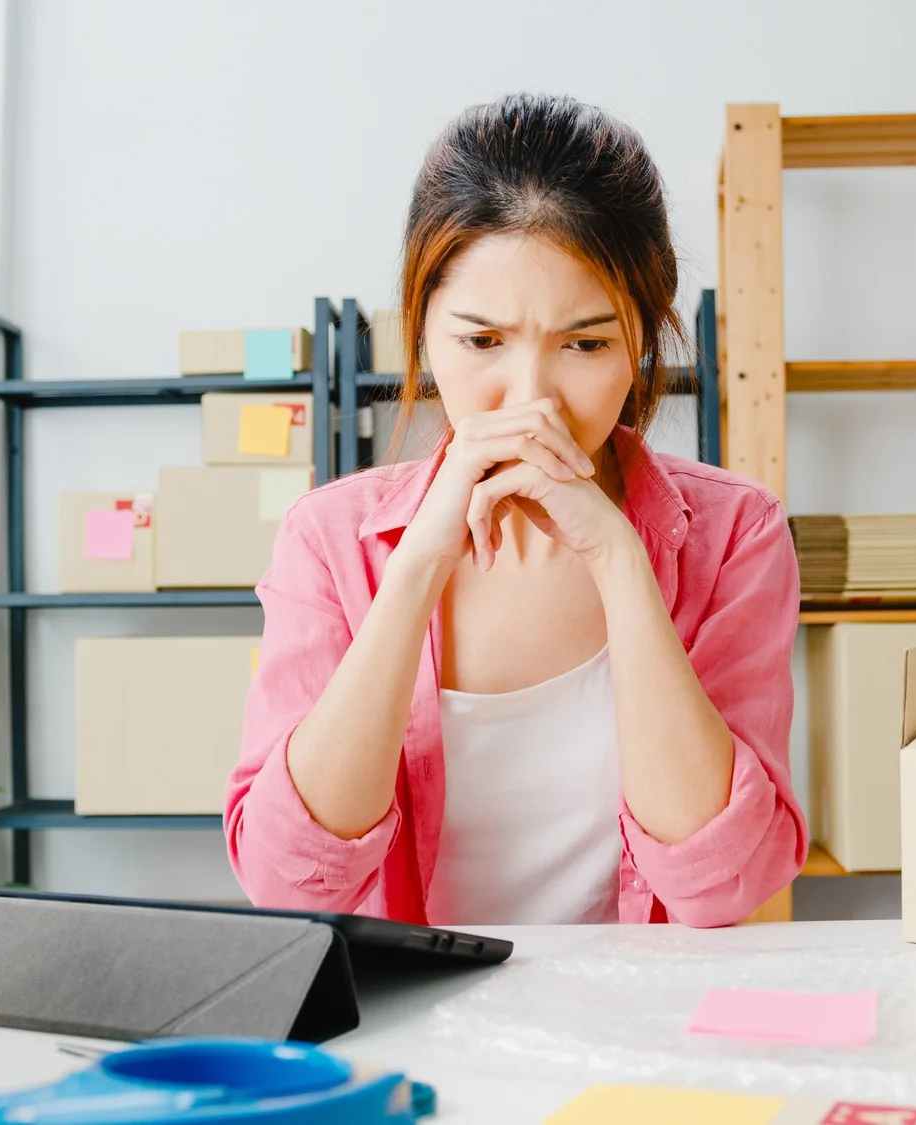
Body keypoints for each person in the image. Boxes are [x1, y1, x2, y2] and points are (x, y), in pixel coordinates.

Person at [226, 92, 805, 928]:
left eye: (586, 343)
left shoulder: (735, 535)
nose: (531, 401)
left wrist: (618, 560)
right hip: (410, 1033)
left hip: (639, 1037)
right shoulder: (327, 542)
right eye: (482, 341)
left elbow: (721, 888)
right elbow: (287, 882)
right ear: (423, 333)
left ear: (642, 338)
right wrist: (418, 563)